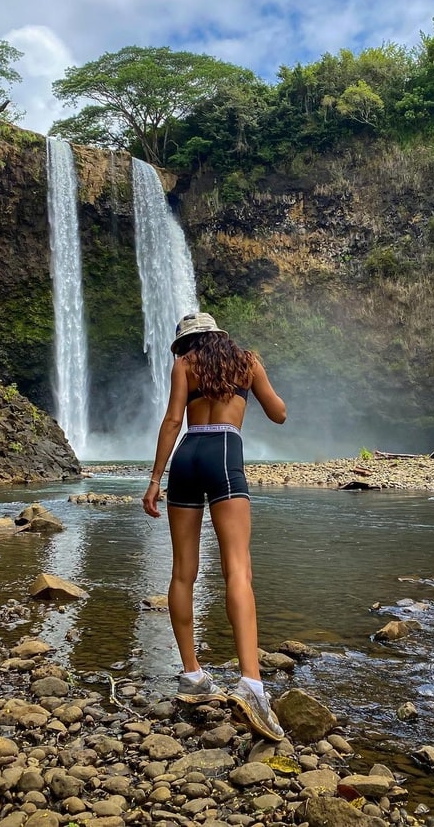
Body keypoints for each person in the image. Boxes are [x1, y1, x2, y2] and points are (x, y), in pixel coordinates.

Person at [142, 312, 287, 742]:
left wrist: (155, 480)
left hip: (187, 455)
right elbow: (278, 413)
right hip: (225, 452)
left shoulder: (183, 364)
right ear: (219, 335)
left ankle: (192, 675)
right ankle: (251, 684)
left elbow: (172, 421)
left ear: (188, 342)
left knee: (183, 572)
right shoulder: (247, 361)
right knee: (238, 569)